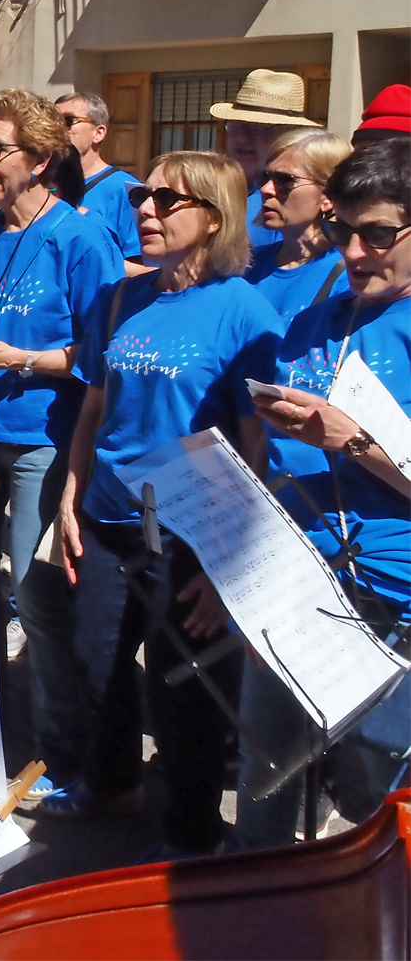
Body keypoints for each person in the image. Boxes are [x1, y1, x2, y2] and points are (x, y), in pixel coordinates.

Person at [56, 151, 281, 857]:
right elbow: (94, 405)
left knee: (184, 695)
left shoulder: (245, 311)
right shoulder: (121, 298)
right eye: (139, 200)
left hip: (189, 533)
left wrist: (226, 561)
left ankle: (191, 834)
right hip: (104, 516)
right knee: (95, 663)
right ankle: (112, 783)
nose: (143, 211)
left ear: (212, 218)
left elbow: (254, 446)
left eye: (163, 200)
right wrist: (69, 497)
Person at [0, 89, 121, 792]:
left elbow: (100, 355)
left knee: (35, 599)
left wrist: (15, 359)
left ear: (41, 158)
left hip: (47, 437)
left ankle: (63, 758)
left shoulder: (81, 239)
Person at [236, 137, 410, 851]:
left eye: (378, 235)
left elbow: (347, 439)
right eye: (344, 231)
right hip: (293, 580)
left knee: (372, 770)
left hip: (392, 594)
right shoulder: (310, 320)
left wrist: (355, 441)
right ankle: (251, 903)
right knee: (266, 764)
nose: (356, 253)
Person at [244, 129, 353, 322]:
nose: (266, 189)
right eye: (264, 177)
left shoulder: (350, 275)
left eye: (285, 180)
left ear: (328, 196)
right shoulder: (247, 266)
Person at [210, 69, 320, 254]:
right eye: (236, 127)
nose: (242, 138)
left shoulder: (290, 198)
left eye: (258, 129)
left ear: (289, 134)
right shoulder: (208, 188)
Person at [56, 91, 144, 267]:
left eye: (68, 121)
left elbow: (143, 268)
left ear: (99, 132)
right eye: (51, 123)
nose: (56, 130)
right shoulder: (38, 185)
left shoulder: (125, 190)